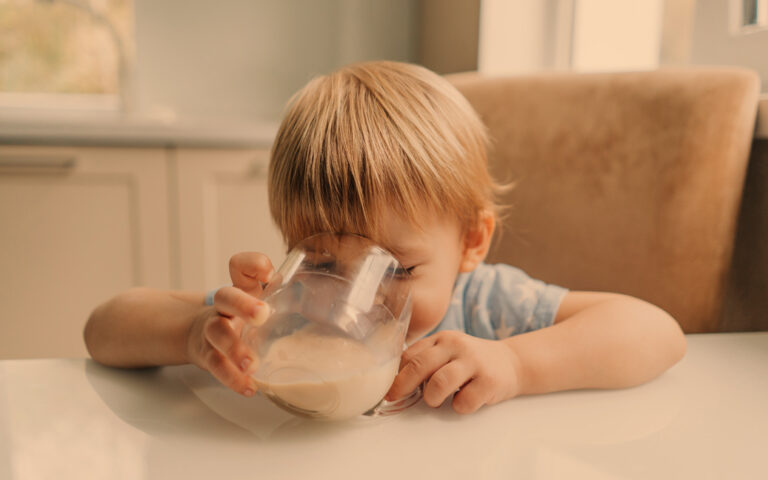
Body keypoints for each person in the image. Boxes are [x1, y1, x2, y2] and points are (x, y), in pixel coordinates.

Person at [84, 61, 686, 415]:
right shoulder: (287, 314)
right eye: (320, 260)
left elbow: (657, 332)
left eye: (395, 269)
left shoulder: (488, 310)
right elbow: (103, 329)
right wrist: (196, 333)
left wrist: (516, 364)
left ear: (472, 242)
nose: (355, 297)